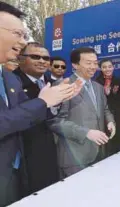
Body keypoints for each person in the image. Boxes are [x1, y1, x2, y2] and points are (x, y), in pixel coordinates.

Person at [0, 2, 82, 206]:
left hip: (15, 172)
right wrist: (43, 101)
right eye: (17, 33)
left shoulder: (9, 79)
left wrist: (55, 99)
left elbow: (25, 113)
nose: (23, 40)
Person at [49, 47, 115, 178]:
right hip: (74, 156)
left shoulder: (98, 87)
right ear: (75, 65)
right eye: (88, 63)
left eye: (95, 63)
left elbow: (105, 109)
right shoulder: (63, 85)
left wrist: (111, 121)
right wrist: (86, 133)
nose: (93, 67)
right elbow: (55, 122)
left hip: (98, 152)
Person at [13, 42, 59, 195]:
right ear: (21, 58)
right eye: (35, 57)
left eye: (46, 58)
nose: (42, 61)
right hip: (23, 152)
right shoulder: (12, 82)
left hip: (47, 148)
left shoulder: (49, 82)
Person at [96, 58, 120, 155]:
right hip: (101, 116)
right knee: (103, 143)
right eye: (104, 67)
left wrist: (112, 94)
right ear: (100, 69)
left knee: (116, 143)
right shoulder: (96, 82)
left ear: (113, 68)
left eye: (109, 66)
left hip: (117, 115)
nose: (107, 69)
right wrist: (104, 94)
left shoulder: (119, 81)